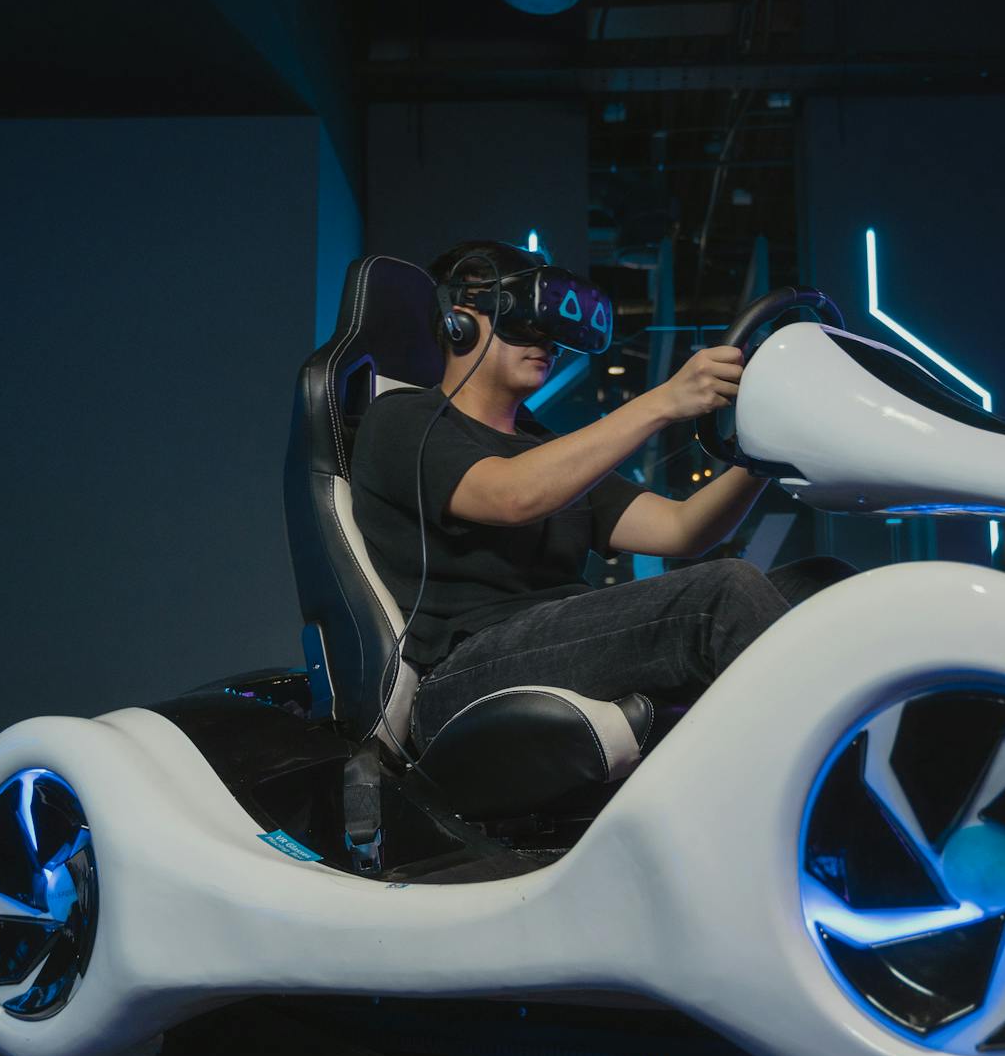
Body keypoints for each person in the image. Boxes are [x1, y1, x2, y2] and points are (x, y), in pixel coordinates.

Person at [349, 239, 856, 751]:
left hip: (559, 640)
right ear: (460, 323)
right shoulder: (402, 419)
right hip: (463, 675)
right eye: (521, 322)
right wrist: (665, 401)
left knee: (825, 583)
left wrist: (765, 449)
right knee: (723, 592)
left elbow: (683, 529)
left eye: (548, 328)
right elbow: (510, 495)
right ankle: (836, 785)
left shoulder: (545, 448)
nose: (544, 341)